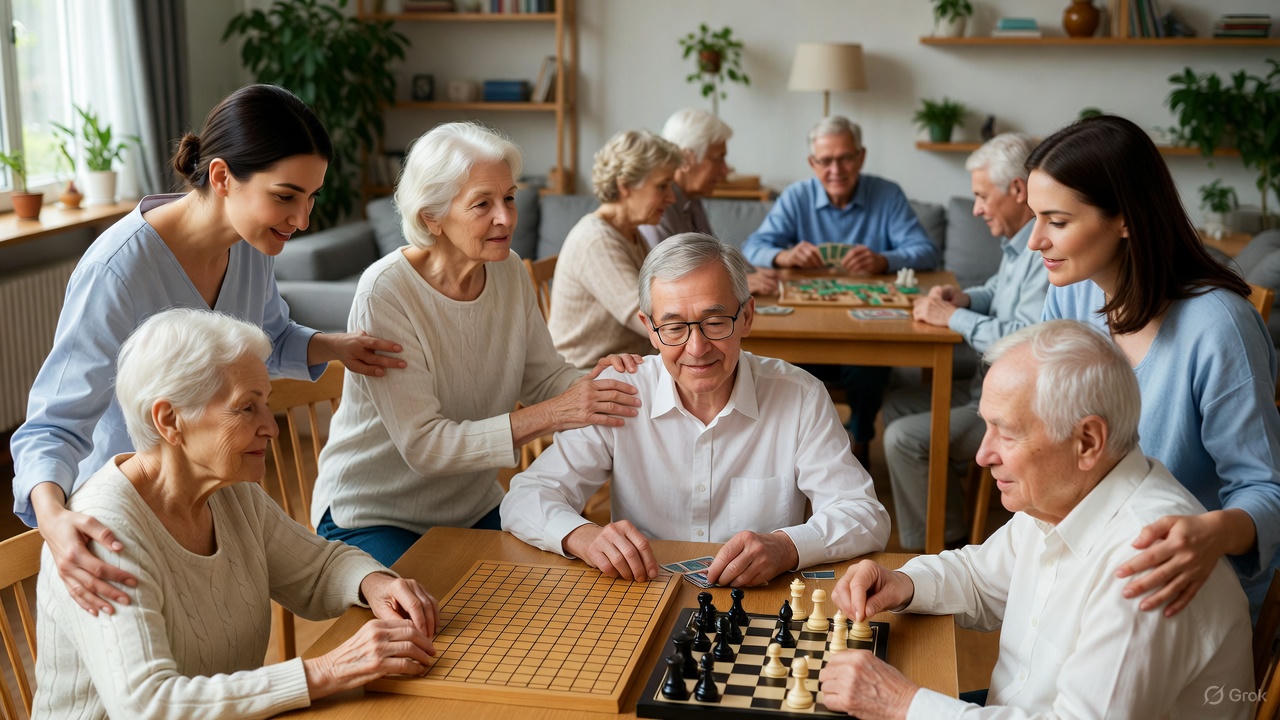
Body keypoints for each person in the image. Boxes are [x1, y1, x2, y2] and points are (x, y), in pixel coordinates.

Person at [11, 84, 403, 618]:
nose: (302, 220)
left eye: (311, 198)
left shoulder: (252, 244)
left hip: (205, 495)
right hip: (126, 518)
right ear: (221, 177)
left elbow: (267, 340)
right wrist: (56, 521)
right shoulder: (116, 271)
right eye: (286, 196)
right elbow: (51, 426)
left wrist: (336, 346)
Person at [819, 320, 1254, 720]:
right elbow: (980, 577)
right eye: (985, 428)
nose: (983, 455)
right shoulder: (1065, 494)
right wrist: (904, 582)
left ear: (1087, 441)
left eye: (1006, 433)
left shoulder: (1149, 558)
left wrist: (902, 703)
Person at [33, 309, 440, 719]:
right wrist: (328, 670)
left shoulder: (230, 493)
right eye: (247, 408)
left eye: (266, 404)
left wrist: (373, 583)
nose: (271, 427)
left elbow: (317, 568)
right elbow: (148, 705)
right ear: (170, 420)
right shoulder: (102, 535)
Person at [311, 122, 643, 567]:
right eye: (482, 204)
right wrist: (557, 413)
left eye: (508, 198)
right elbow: (425, 446)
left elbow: (546, 378)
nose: (506, 218)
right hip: (373, 513)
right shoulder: (387, 291)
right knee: (434, 620)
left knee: (558, 588)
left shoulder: (507, 271)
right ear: (432, 216)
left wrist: (607, 385)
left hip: (471, 505)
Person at [502, 233, 889, 585]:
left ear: (747, 317)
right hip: (643, 596)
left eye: (715, 321)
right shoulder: (620, 395)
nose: (697, 347)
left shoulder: (800, 396)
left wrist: (787, 545)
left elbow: (863, 515)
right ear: (649, 328)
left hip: (758, 601)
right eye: (673, 327)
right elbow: (524, 498)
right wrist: (582, 536)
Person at [1033, 115, 1280, 619]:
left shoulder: (1219, 329)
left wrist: (1211, 533)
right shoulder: (1073, 296)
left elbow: (1267, 491)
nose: (1036, 240)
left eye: (1057, 222)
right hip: (1092, 567)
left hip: (1183, 591)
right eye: (1035, 218)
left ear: (1126, 218)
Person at [882, 133, 1048, 550]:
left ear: (1016, 190)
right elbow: (999, 289)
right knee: (895, 403)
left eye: (980, 196)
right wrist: (969, 298)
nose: (975, 209)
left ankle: (941, 547)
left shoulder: (1043, 249)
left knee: (902, 437)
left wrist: (952, 316)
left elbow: (1021, 341)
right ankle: (948, 520)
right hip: (984, 388)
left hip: (1016, 405)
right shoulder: (1018, 246)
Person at [741, 116, 939, 460]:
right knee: (778, 365)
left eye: (845, 158)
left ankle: (860, 438)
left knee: (871, 363)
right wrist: (784, 254)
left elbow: (926, 251)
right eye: (825, 160)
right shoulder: (796, 196)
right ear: (812, 163)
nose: (835, 169)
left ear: (861, 157)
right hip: (804, 330)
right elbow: (752, 248)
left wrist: (883, 260)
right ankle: (793, 452)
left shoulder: (887, 194)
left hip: (868, 330)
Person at [548, 129, 683, 369]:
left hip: (626, 367)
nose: (672, 198)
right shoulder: (596, 241)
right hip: (584, 376)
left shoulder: (631, 232)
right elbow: (649, 321)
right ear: (625, 185)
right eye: (662, 186)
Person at [637, 108, 778, 295]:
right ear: (687, 158)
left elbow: (713, 255)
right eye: (718, 158)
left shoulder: (691, 199)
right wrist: (736, 283)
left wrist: (753, 272)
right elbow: (669, 280)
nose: (725, 170)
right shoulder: (660, 208)